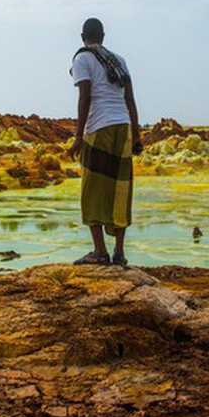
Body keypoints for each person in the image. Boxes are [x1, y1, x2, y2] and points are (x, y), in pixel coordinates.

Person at [68, 17, 142, 266]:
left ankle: (100, 252)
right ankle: (119, 253)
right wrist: (137, 134)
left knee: (93, 190)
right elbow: (130, 99)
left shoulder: (82, 59)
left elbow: (85, 97)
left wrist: (78, 136)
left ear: (82, 37)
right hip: (122, 127)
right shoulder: (118, 60)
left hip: (99, 128)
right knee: (119, 189)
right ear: (103, 36)